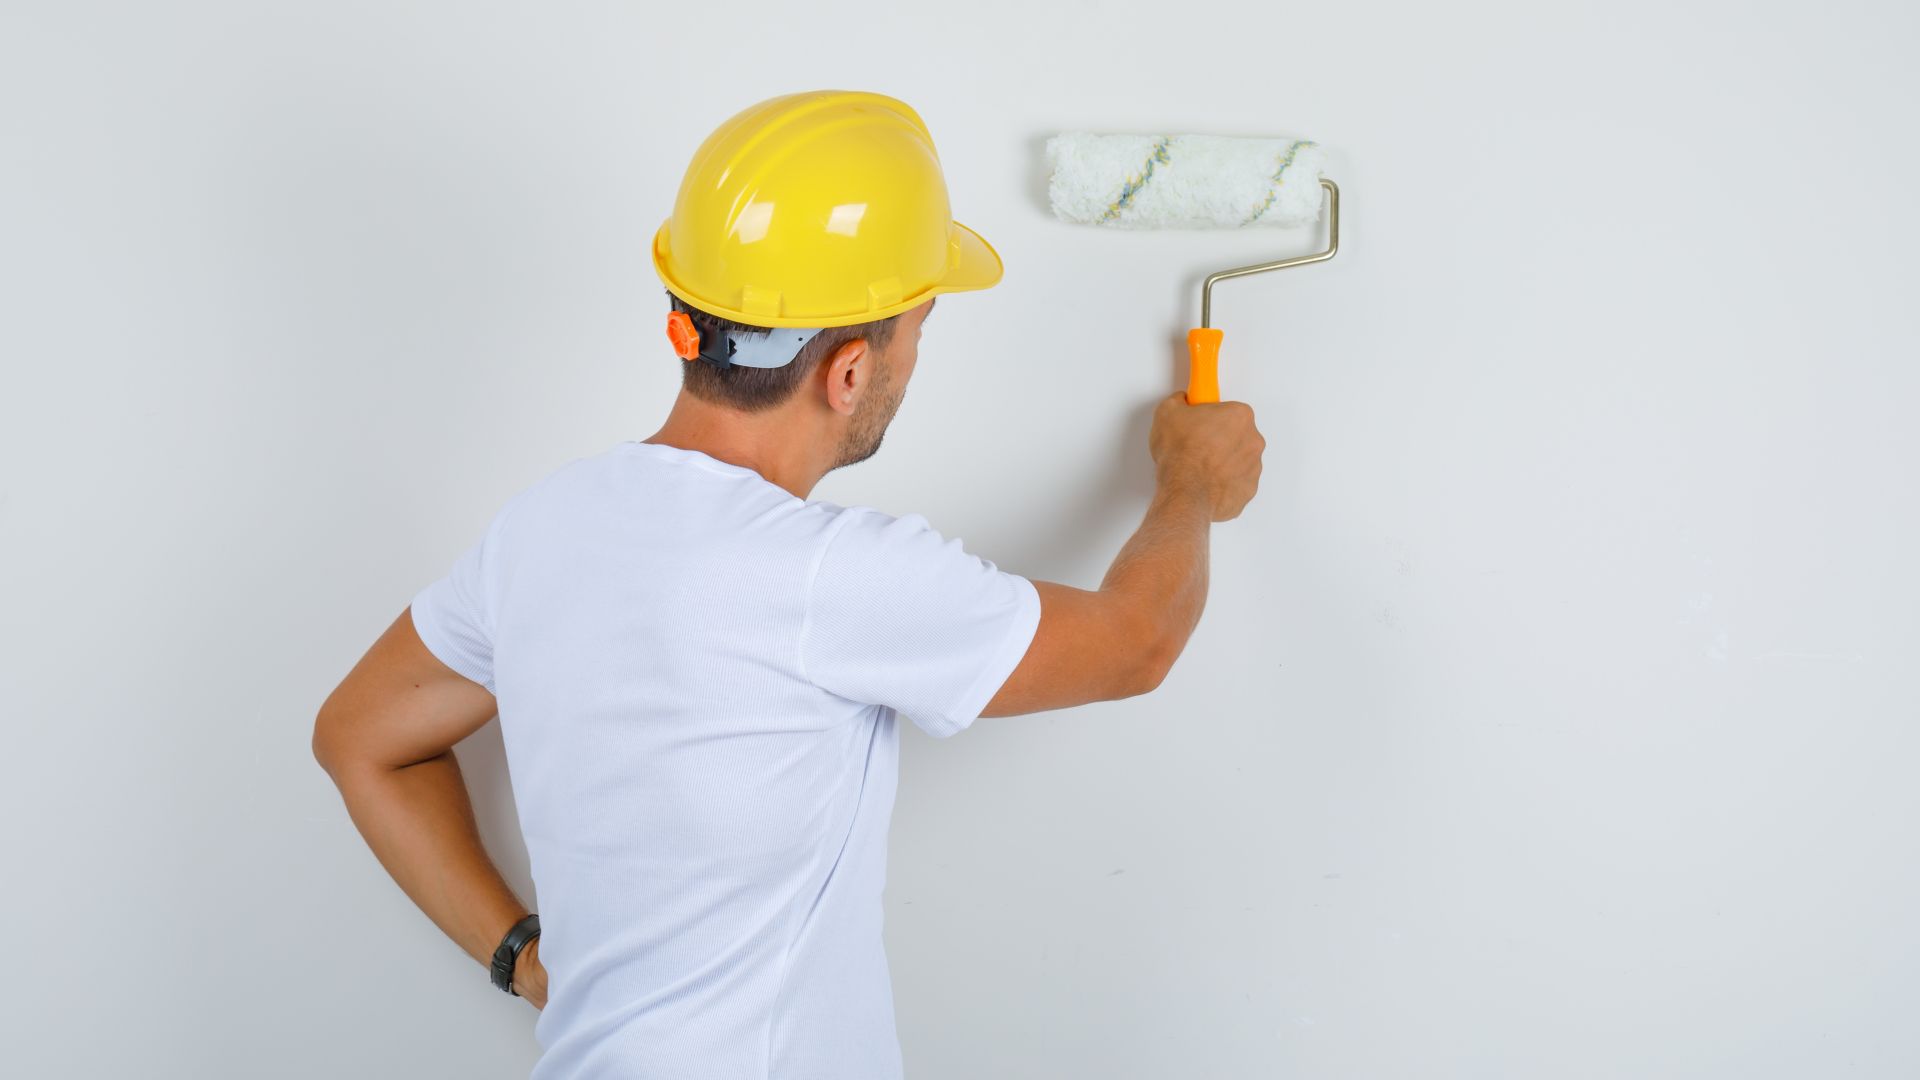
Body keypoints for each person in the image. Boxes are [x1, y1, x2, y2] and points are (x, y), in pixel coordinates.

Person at [311, 89, 1263, 1079]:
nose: (915, 357)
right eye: (918, 329)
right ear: (850, 372)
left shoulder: (540, 531)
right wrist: (1192, 487)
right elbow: (1137, 641)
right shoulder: (832, 575)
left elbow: (360, 737)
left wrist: (524, 958)